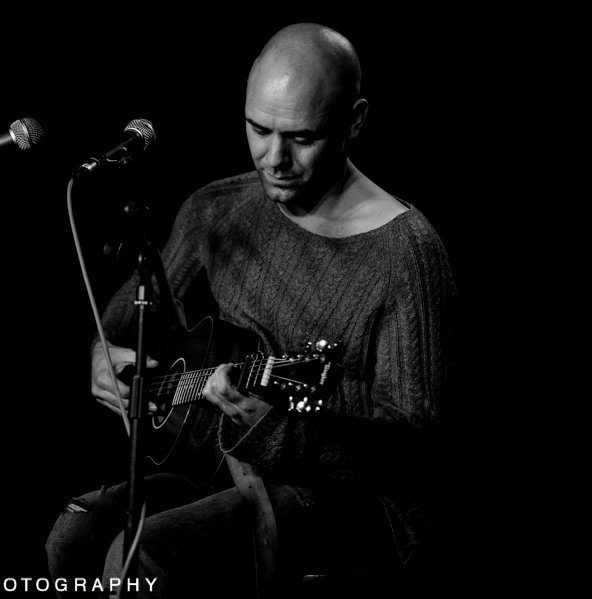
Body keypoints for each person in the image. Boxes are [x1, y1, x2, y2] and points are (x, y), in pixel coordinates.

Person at [46, 22, 459, 598]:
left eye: (302, 137)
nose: (274, 158)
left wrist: (275, 430)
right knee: (75, 536)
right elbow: (128, 308)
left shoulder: (405, 253)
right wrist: (102, 350)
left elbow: (414, 450)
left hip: (352, 499)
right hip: (228, 464)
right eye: (259, 129)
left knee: (146, 557)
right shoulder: (218, 208)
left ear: (355, 121)